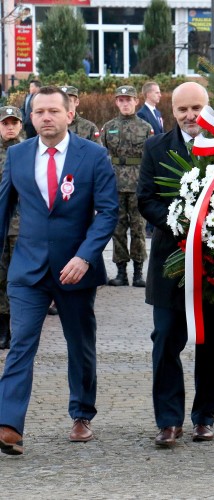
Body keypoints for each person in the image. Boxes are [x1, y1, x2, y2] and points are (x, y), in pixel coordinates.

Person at [0, 86, 118, 455]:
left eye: (53, 111)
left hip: (75, 269)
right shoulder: (17, 155)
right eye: (38, 112)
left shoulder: (94, 156)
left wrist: (84, 257)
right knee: (21, 344)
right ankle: (9, 424)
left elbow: (108, 213)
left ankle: (81, 414)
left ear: (70, 114)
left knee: (79, 344)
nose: (45, 117)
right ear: (30, 118)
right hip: (28, 271)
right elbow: (2, 210)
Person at [137, 81, 214, 447]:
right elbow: (146, 199)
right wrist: (182, 221)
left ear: (207, 108)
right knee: (164, 341)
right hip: (168, 262)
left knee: (212, 344)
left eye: (196, 108)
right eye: (182, 110)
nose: (190, 116)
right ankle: (169, 421)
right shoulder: (155, 147)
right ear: (171, 112)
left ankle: (204, 417)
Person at [101, 85, 153, 288]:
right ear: (116, 102)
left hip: (138, 184)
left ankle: (139, 273)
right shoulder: (108, 127)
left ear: (136, 101)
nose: (125, 103)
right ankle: (121, 272)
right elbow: (101, 156)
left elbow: (150, 159)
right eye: (121, 100)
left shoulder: (144, 127)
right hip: (114, 185)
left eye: (128, 99)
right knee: (118, 229)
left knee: (138, 229)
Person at [0, 106, 24, 350]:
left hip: (23, 226)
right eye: (5, 123)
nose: (9, 127)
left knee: (19, 278)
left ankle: (19, 327)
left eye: (13, 123)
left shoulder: (29, 151)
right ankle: (2, 328)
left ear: (20, 125)